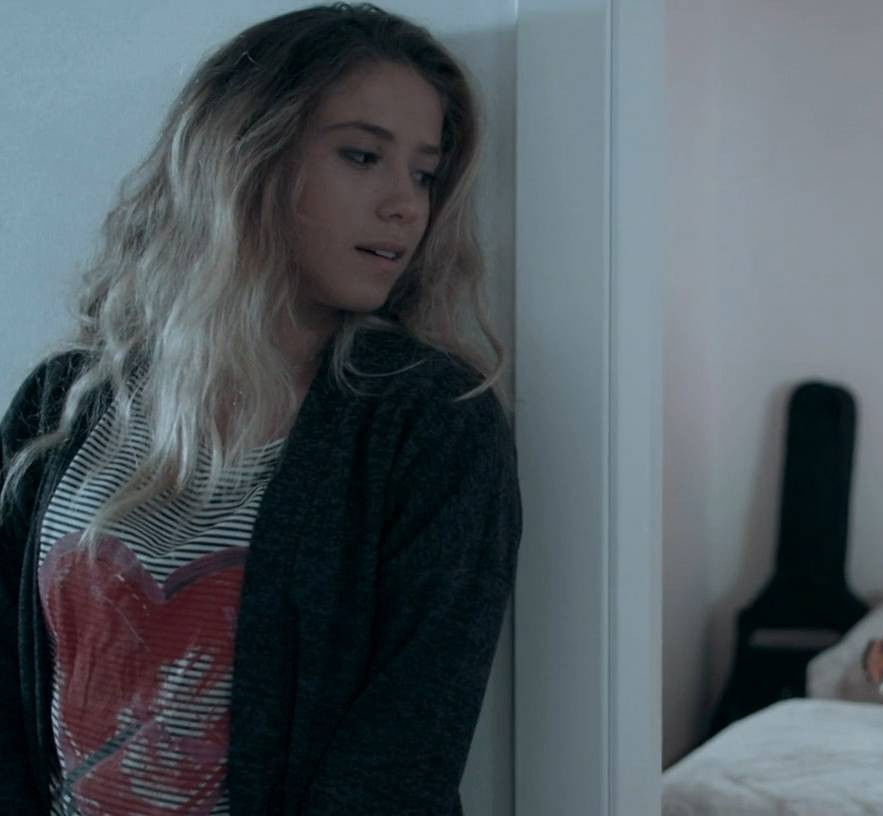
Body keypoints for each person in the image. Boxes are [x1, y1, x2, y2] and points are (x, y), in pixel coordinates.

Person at [0, 5, 522, 815]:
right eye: (362, 156)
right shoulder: (64, 396)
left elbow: (404, 752)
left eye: (424, 173)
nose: (405, 205)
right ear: (244, 154)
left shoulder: (429, 422)